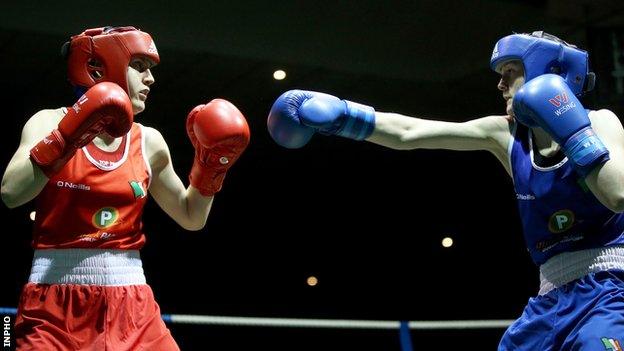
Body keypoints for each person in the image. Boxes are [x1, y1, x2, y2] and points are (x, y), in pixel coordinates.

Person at [266, 31, 624, 350]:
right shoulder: (506, 135)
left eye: (510, 72)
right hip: (548, 301)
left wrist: (573, 132)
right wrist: (344, 117)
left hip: (610, 291)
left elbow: (618, 195)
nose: (500, 85)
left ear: (544, 72)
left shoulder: (601, 122)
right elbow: (410, 133)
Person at [1, 26, 250, 350]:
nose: (151, 80)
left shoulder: (149, 141)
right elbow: (11, 193)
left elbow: (191, 216)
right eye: (140, 67)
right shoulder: (48, 122)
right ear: (100, 66)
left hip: (133, 303)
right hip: (54, 304)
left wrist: (211, 166)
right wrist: (67, 137)